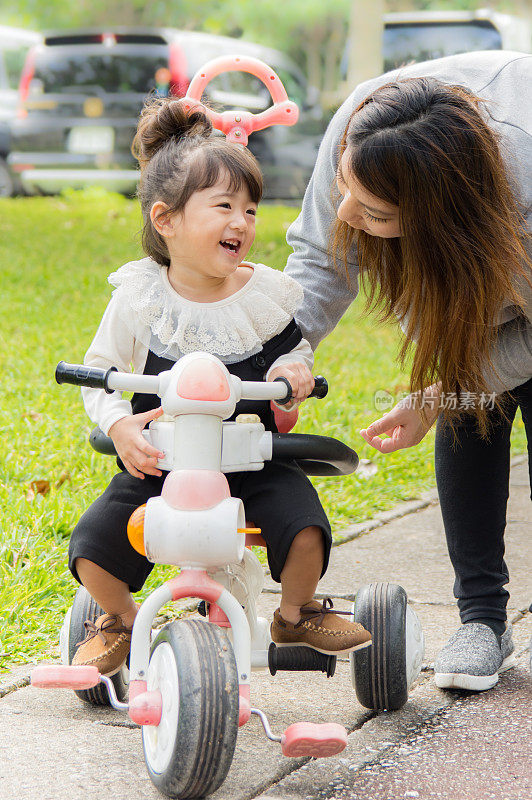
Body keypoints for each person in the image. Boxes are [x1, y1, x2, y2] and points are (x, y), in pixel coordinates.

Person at [69, 98, 371, 677]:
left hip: (252, 459)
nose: (243, 222)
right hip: (163, 463)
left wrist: (291, 376)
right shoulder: (139, 298)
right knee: (93, 545)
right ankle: (119, 619)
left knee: (304, 527)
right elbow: (100, 370)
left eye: (252, 210)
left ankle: (296, 610)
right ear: (166, 220)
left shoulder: (263, 296)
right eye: (225, 206)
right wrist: (119, 424)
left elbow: (294, 352)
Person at [285, 50, 531, 692]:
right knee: (468, 409)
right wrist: (280, 358)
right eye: (348, 192)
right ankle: (482, 619)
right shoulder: (364, 125)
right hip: (474, 263)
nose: (348, 215)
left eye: (376, 214)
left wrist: (438, 392)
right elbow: (318, 259)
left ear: (444, 217)